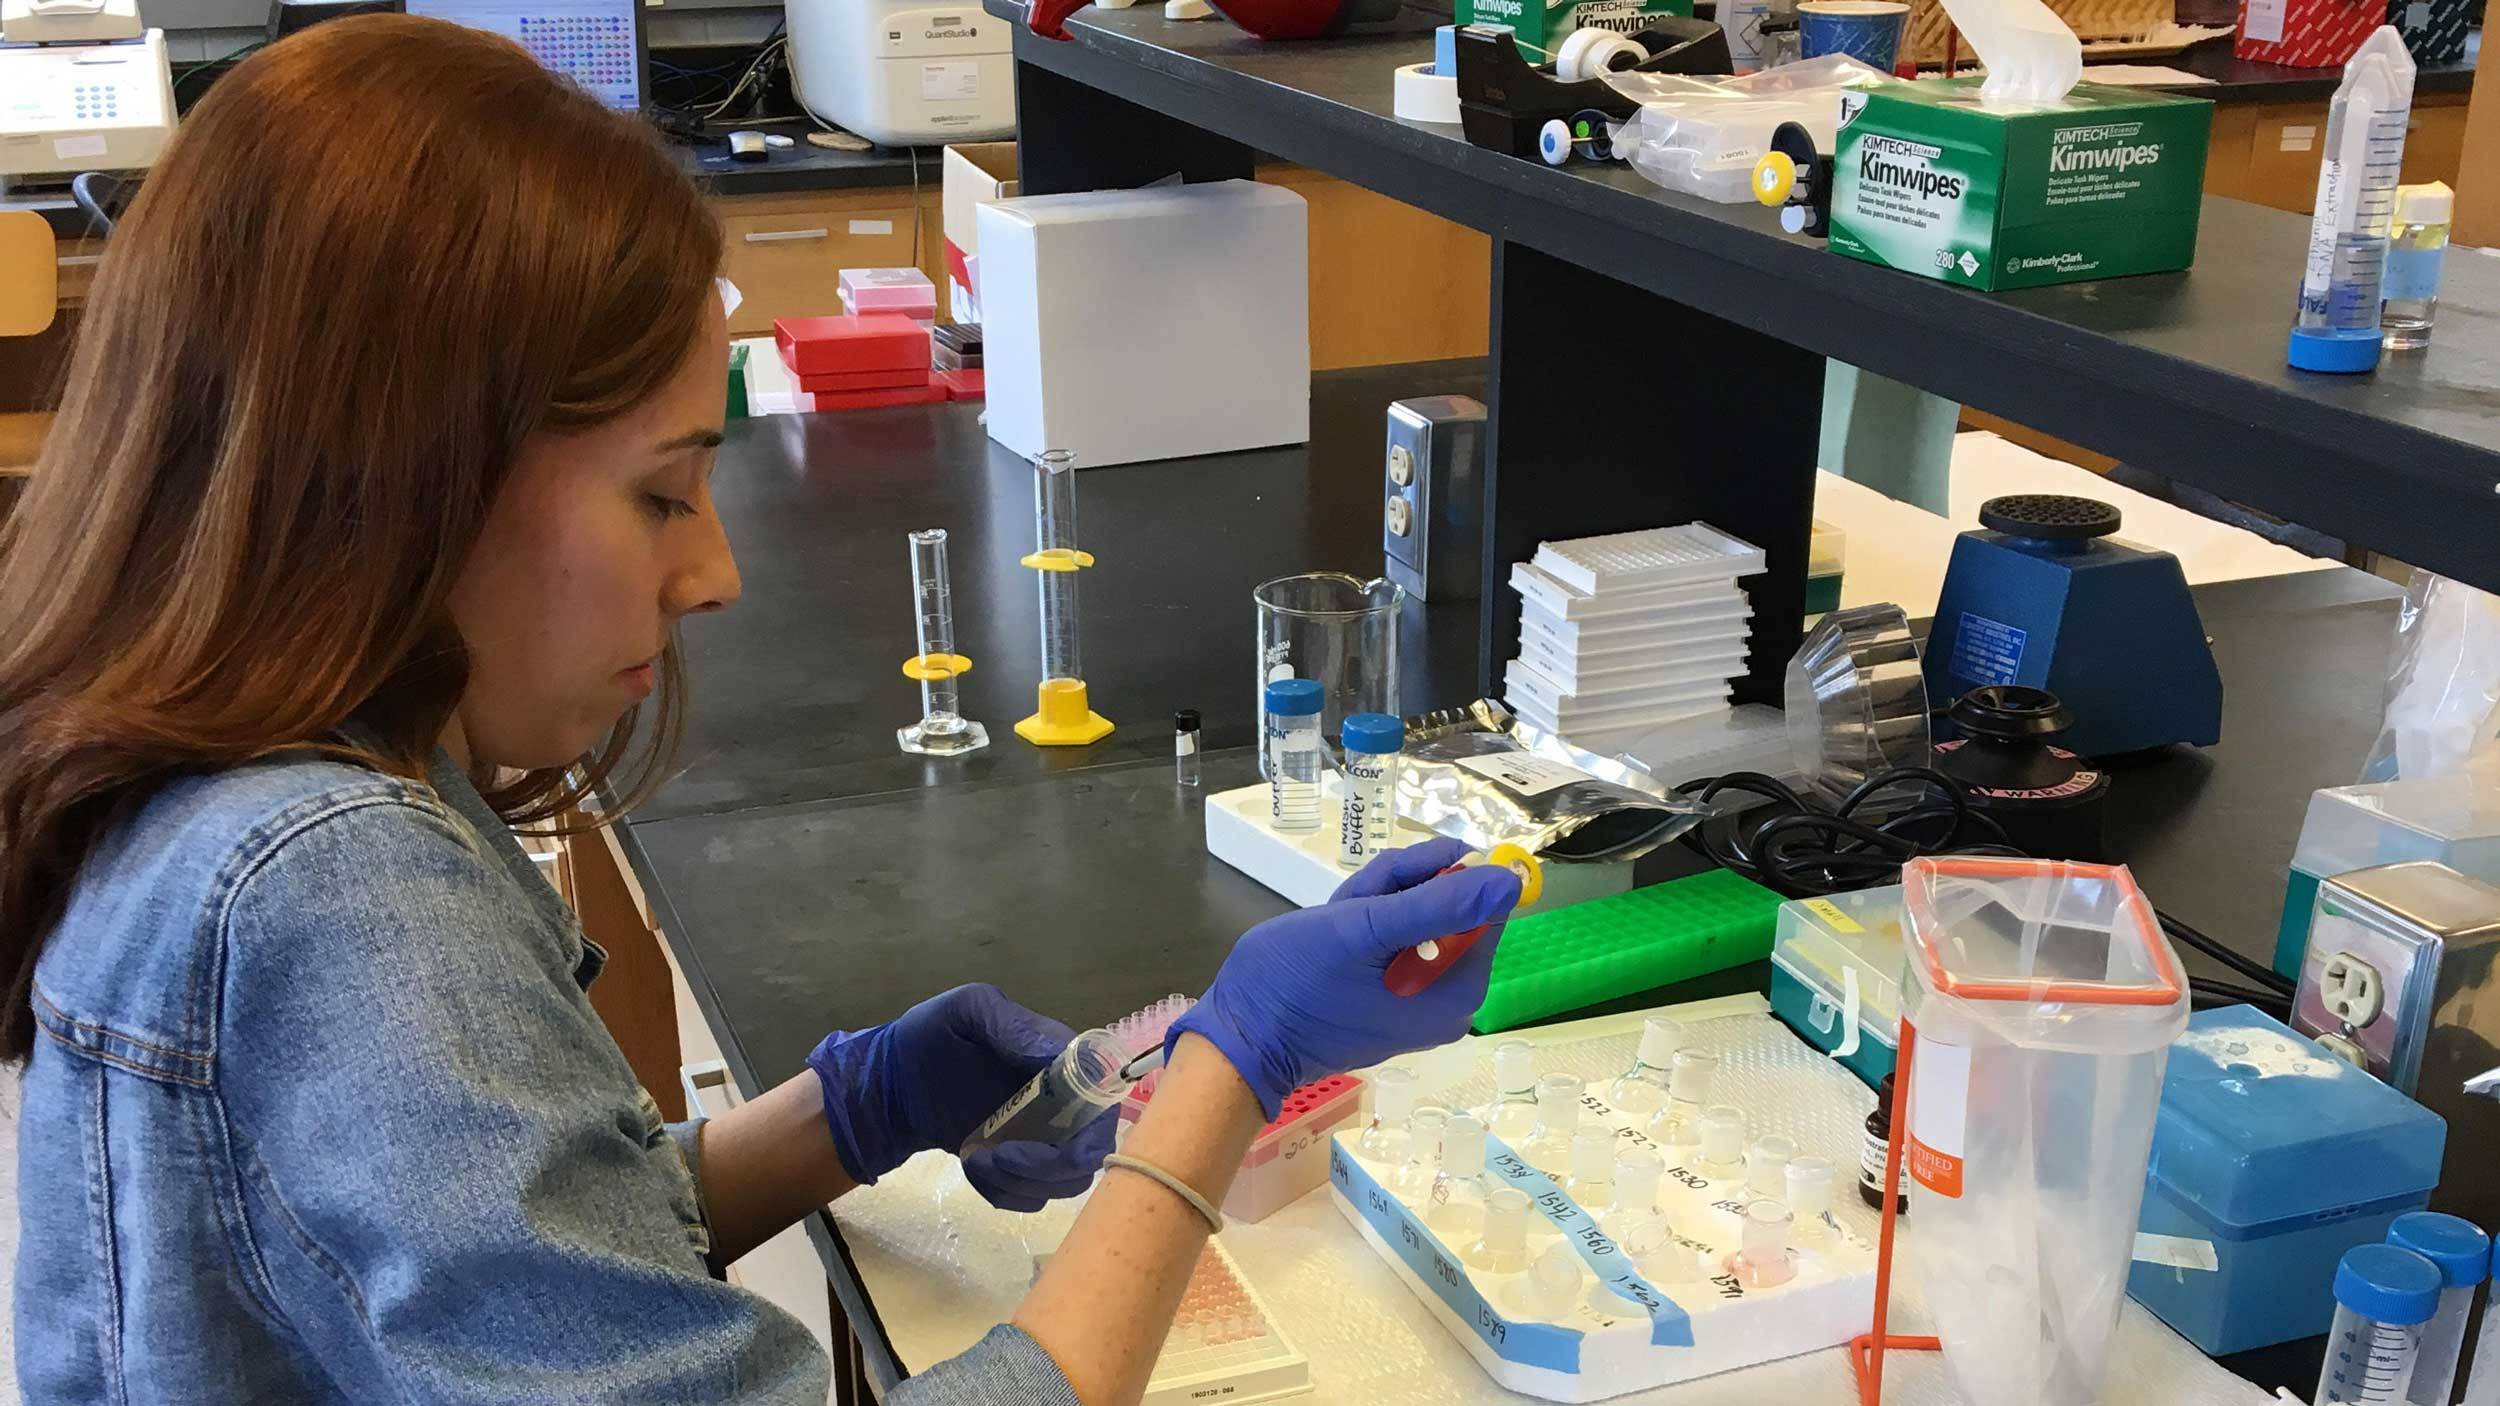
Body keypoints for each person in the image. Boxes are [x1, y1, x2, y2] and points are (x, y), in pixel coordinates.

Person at [0, 16, 1521, 1405]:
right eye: (661, 492)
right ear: (405, 473)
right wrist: (1227, 1071)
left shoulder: (256, 800)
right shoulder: (337, 891)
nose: (714, 571)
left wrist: (846, 1110)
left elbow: (491, 1256)